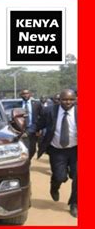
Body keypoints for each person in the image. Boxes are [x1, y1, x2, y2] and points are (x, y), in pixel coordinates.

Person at [36, 89, 77, 218]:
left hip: (76, 149)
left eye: (71, 99)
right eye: (65, 99)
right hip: (57, 150)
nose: (68, 102)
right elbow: (39, 124)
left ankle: (74, 204)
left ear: (75, 99)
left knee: (79, 177)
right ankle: (55, 185)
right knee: (60, 176)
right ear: (59, 100)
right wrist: (32, 131)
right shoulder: (50, 111)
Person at [20, 89, 43, 160]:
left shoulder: (37, 104)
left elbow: (42, 116)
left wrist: (39, 129)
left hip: (33, 129)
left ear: (30, 94)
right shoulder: (17, 104)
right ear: (21, 95)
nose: (25, 95)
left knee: (32, 149)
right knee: (23, 148)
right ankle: (25, 162)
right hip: (20, 130)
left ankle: (28, 160)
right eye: (23, 94)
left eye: (27, 93)